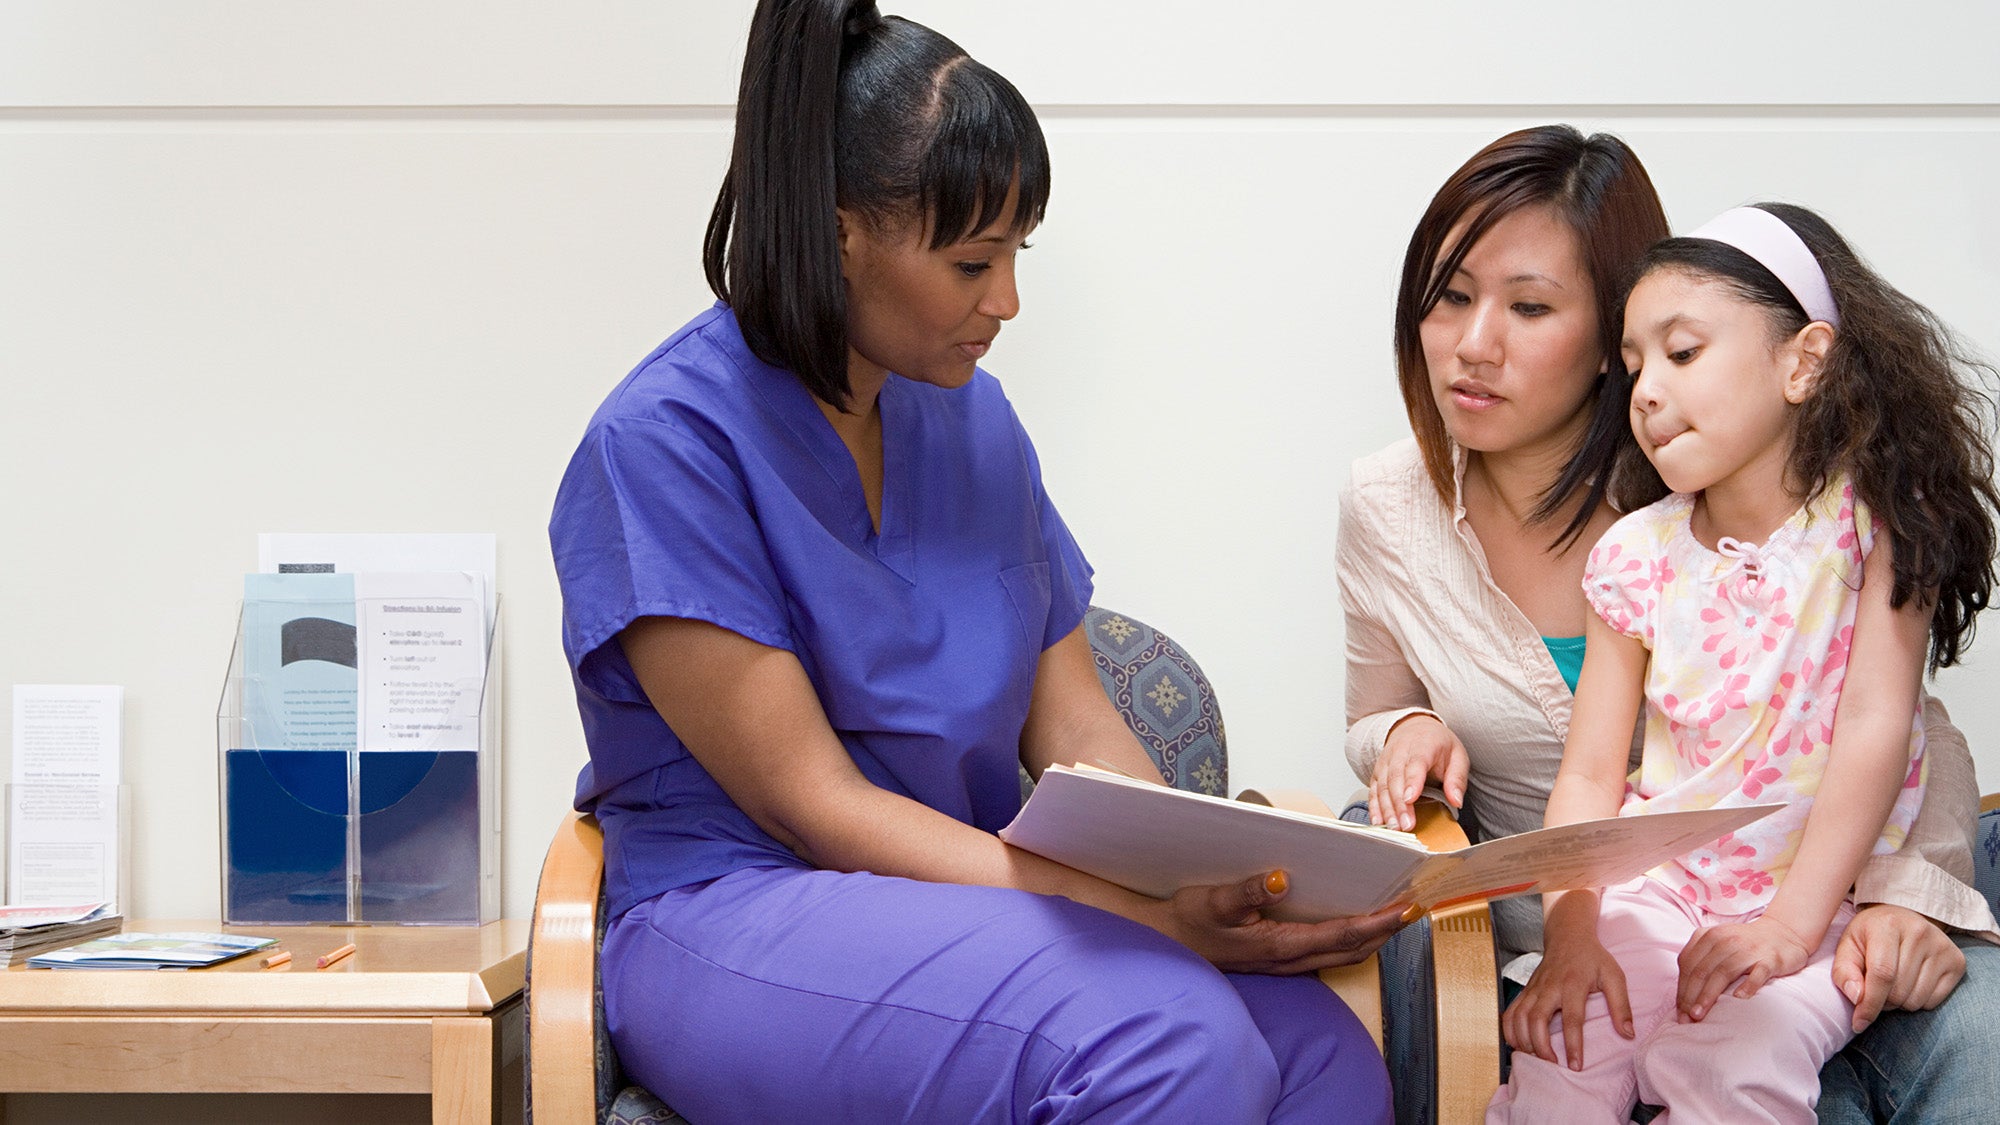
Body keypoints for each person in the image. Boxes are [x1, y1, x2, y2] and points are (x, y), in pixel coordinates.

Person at [548, 2, 1401, 1120]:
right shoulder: (663, 445)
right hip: (740, 911)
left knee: (1314, 1047)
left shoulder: (975, 422)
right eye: (970, 262)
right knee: (1166, 1039)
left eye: (1014, 255)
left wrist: (1195, 869)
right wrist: (1137, 923)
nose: (1004, 301)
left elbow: (1078, 726)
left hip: (977, 902)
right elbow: (816, 807)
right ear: (839, 231)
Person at [1339, 126, 2000, 1122]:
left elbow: (1894, 727)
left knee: (1933, 1041)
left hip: (1820, 904)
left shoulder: (1757, 485)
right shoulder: (1419, 512)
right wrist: (1401, 731)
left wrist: (1895, 899)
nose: (1475, 344)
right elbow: (1430, 726)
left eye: (1527, 306)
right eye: (1448, 296)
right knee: (1572, 1058)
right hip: (1613, 912)